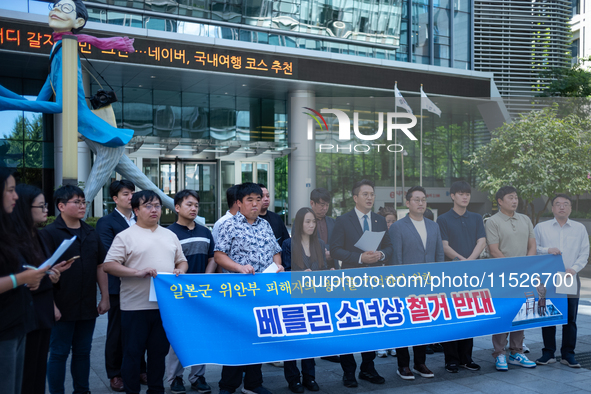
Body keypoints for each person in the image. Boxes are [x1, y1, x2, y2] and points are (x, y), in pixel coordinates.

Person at [103, 190, 188, 394]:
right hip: (134, 306)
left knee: (159, 353)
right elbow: (109, 265)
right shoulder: (125, 236)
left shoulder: (170, 235)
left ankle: (156, 390)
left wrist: (180, 270)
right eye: (147, 206)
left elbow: (182, 260)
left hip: (164, 305)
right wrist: (136, 272)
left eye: (157, 205)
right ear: (136, 210)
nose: (154, 210)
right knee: (132, 353)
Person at [40, 184, 110, 394]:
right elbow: (41, 273)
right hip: (60, 304)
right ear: (61, 206)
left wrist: (105, 297)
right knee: (59, 353)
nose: (82, 206)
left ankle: (82, 390)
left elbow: (100, 266)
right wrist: (50, 306)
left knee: (83, 352)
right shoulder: (49, 234)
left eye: (83, 202)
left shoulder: (90, 232)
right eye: (76, 202)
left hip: (86, 304)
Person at [214, 182, 284, 394]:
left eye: (258, 199)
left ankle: (253, 384)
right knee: (237, 338)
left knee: (259, 336)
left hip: (263, 291)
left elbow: (275, 251)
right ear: (239, 203)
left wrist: (278, 264)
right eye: (249, 200)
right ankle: (228, 385)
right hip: (239, 293)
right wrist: (239, 267)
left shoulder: (265, 225)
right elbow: (219, 255)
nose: (255, 204)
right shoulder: (230, 225)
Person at [330, 179, 393, 388]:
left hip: (374, 280)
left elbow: (389, 247)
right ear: (355, 197)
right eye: (365, 194)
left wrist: (381, 255)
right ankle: (348, 371)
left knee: (371, 325)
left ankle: (368, 367)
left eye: (372, 194)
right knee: (349, 325)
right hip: (351, 281)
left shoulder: (380, 221)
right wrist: (359, 258)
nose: (369, 198)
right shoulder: (343, 220)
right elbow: (336, 249)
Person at [12, 184, 73, 394]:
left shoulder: (38, 235)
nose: (46, 209)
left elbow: (38, 270)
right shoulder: (12, 240)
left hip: (42, 311)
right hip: (22, 314)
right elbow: (20, 276)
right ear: (23, 208)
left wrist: (53, 275)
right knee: (24, 375)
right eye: (41, 205)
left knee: (37, 371)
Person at [96, 180, 147, 392]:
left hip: (143, 284)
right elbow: (110, 256)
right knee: (117, 332)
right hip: (118, 286)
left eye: (133, 193)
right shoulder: (106, 222)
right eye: (126, 194)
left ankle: (140, 368)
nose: (130, 197)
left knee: (140, 330)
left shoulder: (142, 220)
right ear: (115, 198)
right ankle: (115, 373)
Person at [0, 169, 48, 394]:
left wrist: (35, 278)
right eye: (10, 190)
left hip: (19, 322)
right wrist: (21, 278)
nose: (15, 196)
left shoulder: (7, 233)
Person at [389, 185, 443, 380]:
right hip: (406, 285)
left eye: (423, 199)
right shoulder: (398, 227)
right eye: (416, 199)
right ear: (407, 202)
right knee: (404, 325)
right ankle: (403, 365)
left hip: (429, 285)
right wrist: (401, 285)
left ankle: (420, 363)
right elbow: (397, 259)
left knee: (423, 325)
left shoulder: (433, 225)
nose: (421, 203)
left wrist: (438, 281)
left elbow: (438, 255)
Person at [166, 189, 215, 394]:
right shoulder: (169, 233)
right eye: (189, 204)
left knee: (200, 335)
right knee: (177, 338)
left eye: (196, 205)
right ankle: (174, 378)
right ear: (177, 207)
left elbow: (212, 257)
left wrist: (206, 277)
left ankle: (198, 376)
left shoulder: (205, 232)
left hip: (201, 292)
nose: (194, 208)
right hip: (178, 294)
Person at [485, 185, 537, 371]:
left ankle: (517, 352)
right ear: (500, 201)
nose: (514, 200)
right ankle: (499, 353)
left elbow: (532, 246)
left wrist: (526, 267)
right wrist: (514, 268)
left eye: (516, 197)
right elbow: (494, 250)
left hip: (523, 276)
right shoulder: (493, 221)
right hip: (502, 276)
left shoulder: (525, 219)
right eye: (510, 197)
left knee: (521, 313)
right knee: (502, 313)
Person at [534, 194, 589, 368]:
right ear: (552, 208)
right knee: (549, 315)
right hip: (548, 278)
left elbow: (584, 253)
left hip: (569, 277)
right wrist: (547, 250)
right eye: (558, 204)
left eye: (566, 204)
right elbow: (533, 248)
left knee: (570, 318)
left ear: (570, 208)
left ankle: (568, 354)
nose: (562, 207)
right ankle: (548, 353)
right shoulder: (541, 227)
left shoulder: (579, 228)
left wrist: (574, 269)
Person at [436, 181, 486, 373]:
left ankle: (467, 358)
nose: (465, 197)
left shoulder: (476, 218)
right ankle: (451, 359)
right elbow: (444, 245)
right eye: (461, 193)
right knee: (451, 317)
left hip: (472, 274)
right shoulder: (443, 219)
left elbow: (481, 241)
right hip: (451, 275)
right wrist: (461, 260)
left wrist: (469, 261)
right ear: (452, 196)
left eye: (467, 194)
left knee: (469, 315)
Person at [282, 207, 329, 393]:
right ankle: (293, 379)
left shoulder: (319, 243)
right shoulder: (288, 243)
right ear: (299, 224)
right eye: (307, 221)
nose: (311, 225)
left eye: (313, 221)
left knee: (310, 339)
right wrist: (300, 274)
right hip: (293, 299)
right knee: (293, 340)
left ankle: (310, 377)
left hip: (314, 299)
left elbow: (323, 269)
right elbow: (285, 272)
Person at [375, 206, 397, 358]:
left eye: (393, 221)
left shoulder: (398, 235)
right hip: (378, 279)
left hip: (393, 278)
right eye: (388, 222)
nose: (390, 225)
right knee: (379, 311)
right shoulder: (376, 235)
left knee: (393, 311)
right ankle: (380, 345)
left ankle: (394, 344)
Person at [310, 188, 338, 270]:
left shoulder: (333, 222)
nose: (325, 208)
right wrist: (321, 253)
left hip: (332, 267)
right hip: (311, 269)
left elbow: (339, 243)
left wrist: (332, 253)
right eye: (322, 205)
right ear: (312, 203)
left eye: (327, 205)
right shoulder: (303, 222)